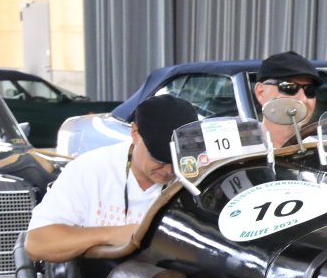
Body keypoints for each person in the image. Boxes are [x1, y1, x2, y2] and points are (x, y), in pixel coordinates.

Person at [24, 95, 198, 262]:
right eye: (159, 160)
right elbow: (36, 243)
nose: (169, 170)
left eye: (177, 161)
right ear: (135, 133)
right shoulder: (90, 169)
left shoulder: (198, 178)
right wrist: (114, 234)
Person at [252, 50, 323, 147]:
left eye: (310, 90)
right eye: (289, 87)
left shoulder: (320, 149)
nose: (303, 99)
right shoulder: (240, 149)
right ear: (261, 92)